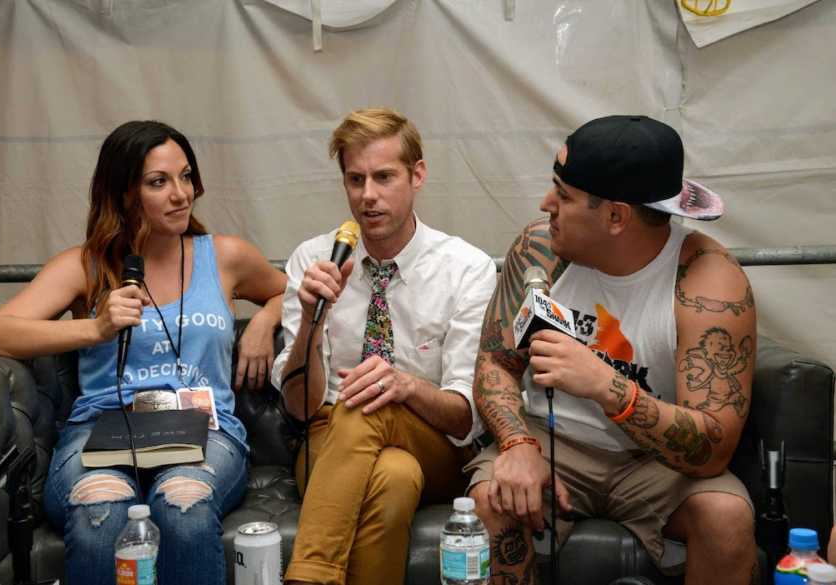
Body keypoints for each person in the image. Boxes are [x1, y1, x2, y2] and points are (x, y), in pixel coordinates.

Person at [0, 120, 286, 585]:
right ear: (123, 194)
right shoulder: (86, 265)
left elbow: (294, 293)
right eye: (159, 182)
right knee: (100, 511)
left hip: (204, 428)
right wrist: (95, 328)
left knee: (183, 506)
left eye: (185, 176)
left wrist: (264, 319)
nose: (181, 194)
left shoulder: (225, 256)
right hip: (104, 428)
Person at [467, 115, 757, 583]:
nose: (546, 205)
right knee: (492, 501)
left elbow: (713, 448)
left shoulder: (708, 281)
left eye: (563, 195)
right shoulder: (539, 250)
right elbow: (497, 362)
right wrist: (517, 444)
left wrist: (609, 388)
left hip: (656, 462)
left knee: (726, 517)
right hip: (550, 437)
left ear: (616, 216)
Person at [270, 107, 496, 585]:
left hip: (433, 440)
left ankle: (309, 576)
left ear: (417, 175)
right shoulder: (314, 259)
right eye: (355, 179)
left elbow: (464, 417)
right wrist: (315, 318)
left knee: (366, 399)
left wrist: (404, 386)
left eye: (383, 177)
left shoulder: (465, 268)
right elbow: (301, 408)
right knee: (392, 478)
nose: (367, 196)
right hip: (329, 440)